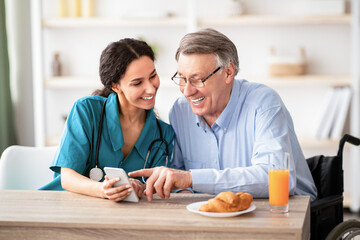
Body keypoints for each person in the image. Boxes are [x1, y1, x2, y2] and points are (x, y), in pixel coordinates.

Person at [129, 28, 317, 202]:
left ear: (228, 72)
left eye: (196, 79)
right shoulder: (180, 110)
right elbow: (178, 174)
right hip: (219, 215)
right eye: (182, 79)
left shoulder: (264, 103)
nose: (187, 91)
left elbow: (276, 179)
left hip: (287, 210)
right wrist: (180, 189)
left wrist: (190, 179)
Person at [40, 38, 174, 202]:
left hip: (119, 220)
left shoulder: (163, 134)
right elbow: (67, 178)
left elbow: (154, 189)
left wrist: (139, 187)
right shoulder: (86, 110)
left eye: (153, 76)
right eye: (138, 82)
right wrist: (102, 190)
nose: (151, 88)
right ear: (115, 86)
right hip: (62, 206)